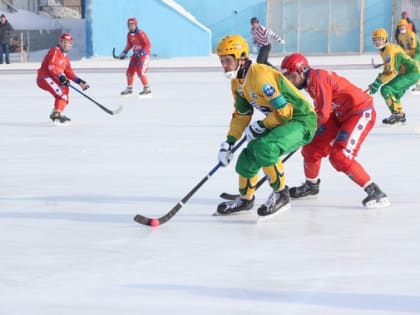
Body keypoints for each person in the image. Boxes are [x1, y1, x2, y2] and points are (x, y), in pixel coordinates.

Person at [215, 34, 317, 218]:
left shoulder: (259, 75)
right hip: (280, 119)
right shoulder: (237, 83)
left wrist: (262, 125)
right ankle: (245, 200)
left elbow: (285, 111)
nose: (224, 65)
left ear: (242, 57)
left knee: (265, 147)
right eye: (222, 61)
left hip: (301, 120)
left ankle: (281, 194)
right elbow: (242, 114)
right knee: (248, 155)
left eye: (228, 60)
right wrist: (229, 142)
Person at [281, 53, 391, 209]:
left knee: (339, 155)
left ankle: (375, 192)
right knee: (312, 147)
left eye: (291, 77)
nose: (290, 82)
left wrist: (307, 130)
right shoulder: (312, 81)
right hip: (339, 114)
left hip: (359, 112)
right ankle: (311, 186)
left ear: (301, 71)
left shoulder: (317, 79)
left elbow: (323, 114)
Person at [369, 28, 420, 124]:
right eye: (375, 39)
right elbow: (387, 68)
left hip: (412, 72)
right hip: (406, 72)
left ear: (385, 39)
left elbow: (391, 72)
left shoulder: (389, 50)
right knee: (395, 94)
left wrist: (378, 82)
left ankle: (396, 113)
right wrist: (378, 80)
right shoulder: (382, 50)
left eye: (379, 39)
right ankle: (400, 114)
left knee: (386, 89)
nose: (377, 42)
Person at [37, 33, 90, 124]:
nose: (66, 44)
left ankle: (56, 112)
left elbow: (69, 72)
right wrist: (61, 77)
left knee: (65, 91)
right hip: (45, 78)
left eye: (68, 43)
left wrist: (80, 82)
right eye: (64, 42)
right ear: (60, 42)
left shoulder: (65, 57)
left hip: (53, 78)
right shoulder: (55, 51)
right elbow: (51, 66)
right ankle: (56, 114)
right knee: (62, 95)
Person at [118, 17, 152, 97]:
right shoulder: (129, 34)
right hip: (135, 55)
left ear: (136, 25)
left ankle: (147, 88)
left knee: (140, 71)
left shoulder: (140, 33)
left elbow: (148, 44)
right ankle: (129, 88)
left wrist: (143, 52)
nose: (130, 27)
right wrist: (124, 53)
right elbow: (129, 45)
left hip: (143, 55)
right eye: (129, 25)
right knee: (129, 71)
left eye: (132, 25)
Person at [396, 19, 420, 91]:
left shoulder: (410, 34)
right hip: (408, 52)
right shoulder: (399, 35)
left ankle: (418, 85)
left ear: (406, 26)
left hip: (417, 52)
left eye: (402, 26)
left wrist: (403, 53)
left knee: (415, 66)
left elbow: (413, 48)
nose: (401, 27)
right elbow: (400, 47)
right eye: (400, 26)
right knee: (402, 66)